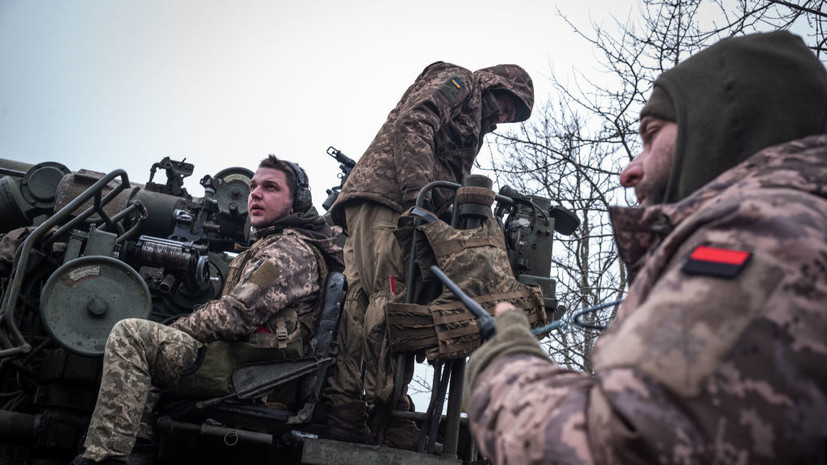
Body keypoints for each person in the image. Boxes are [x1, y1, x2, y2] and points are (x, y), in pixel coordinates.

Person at [464, 30, 827, 464]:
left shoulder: (762, 242)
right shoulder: (799, 232)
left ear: (723, 129)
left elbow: (618, 449)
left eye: (652, 136)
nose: (628, 173)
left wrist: (506, 359)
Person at [72, 155, 344, 465]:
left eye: (270, 188)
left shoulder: (288, 250)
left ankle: (104, 457)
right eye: (254, 186)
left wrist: (176, 329)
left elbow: (235, 315)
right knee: (155, 336)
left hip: (252, 375)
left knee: (132, 334)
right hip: (250, 366)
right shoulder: (280, 244)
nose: (255, 194)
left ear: (296, 202)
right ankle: (142, 444)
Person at [322, 61, 534, 448]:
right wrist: (417, 200)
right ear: (496, 84)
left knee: (361, 302)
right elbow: (415, 122)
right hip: (391, 202)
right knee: (390, 299)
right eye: (508, 104)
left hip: (379, 200)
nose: (505, 116)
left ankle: (349, 409)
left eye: (513, 115)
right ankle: (385, 410)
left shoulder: (475, 114)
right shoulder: (462, 83)